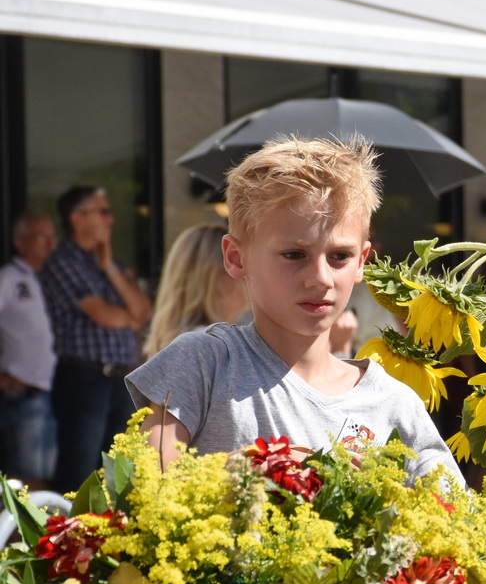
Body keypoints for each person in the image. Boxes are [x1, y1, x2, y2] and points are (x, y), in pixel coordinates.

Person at [126, 137, 458, 482]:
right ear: (236, 257)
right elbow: (146, 488)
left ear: (362, 261)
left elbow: (460, 524)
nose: (320, 278)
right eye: (294, 255)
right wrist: (249, 470)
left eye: (339, 257)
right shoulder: (203, 364)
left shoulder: (393, 402)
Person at [39, 187, 152, 495]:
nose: (111, 219)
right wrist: (128, 316)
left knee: (120, 472)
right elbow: (105, 316)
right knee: (79, 474)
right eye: (102, 212)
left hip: (121, 377)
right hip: (83, 378)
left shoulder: (107, 261)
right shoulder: (62, 261)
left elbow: (142, 311)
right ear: (77, 219)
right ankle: (67, 540)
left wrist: (109, 268)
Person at [0, 214, 58, 487]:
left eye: (53, 236)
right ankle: (16, 531)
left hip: (51, 390)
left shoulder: (47, 279)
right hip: (21, 392)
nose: (51, 243)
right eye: (42, 237)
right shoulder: (9, 278)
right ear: (20, 243)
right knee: (24, 478)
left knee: (44, 474)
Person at [142, 222, 248, 359]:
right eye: (239, 266)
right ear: (220, 280)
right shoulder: (210, 346)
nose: (248, 277)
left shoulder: (185, 341)